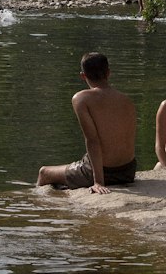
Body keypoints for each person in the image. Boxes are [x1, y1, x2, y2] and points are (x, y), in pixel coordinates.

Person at [36, 52, 137, 193]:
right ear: (108, 73)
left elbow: (93, 140)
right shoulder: (126, 100)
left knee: (44, 172)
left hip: (104, 172)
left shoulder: (81, 98)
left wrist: (98, 182)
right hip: (128, 172)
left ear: (83, 76)